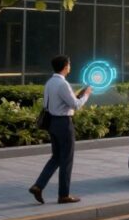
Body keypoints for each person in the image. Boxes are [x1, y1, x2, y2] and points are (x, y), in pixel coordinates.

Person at [29, 55, 91, 205]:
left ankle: (38, 186)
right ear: (65, 66)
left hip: (52, 123)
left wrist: (76, 95)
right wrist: (86, 95)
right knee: (66, 160)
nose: (70, 66)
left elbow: (54, 103)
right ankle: (63, 195)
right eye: (69, 64)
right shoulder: (63, 84)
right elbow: (75, 105)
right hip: (64, 123)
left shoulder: (50, 82)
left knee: (56, 157)